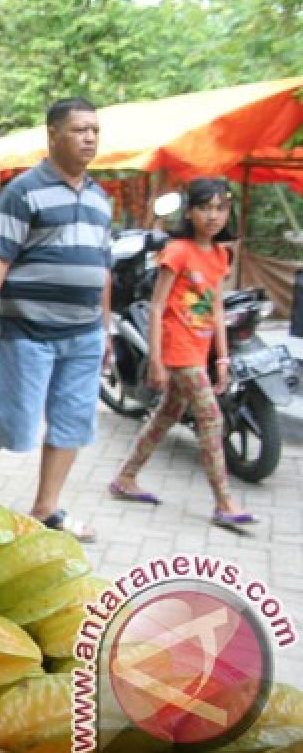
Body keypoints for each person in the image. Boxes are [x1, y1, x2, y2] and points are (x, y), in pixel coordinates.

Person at [0, 98, 111, 543]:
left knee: (72, 421)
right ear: (53, 135)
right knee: (14, 422)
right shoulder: (23, 190)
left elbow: (103, 268)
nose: (89, 138)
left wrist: (107, 327)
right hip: (28, 329)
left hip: (83, 335)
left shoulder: (101, 200)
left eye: (95, 131)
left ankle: (46, 509)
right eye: (80, 130)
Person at [109, 178, 255, 527]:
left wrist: (221, 358)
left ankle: (125, 478)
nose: (213, 215)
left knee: (166, 416)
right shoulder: (177, 251)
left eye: (220, 208)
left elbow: (216, 309)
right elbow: (156, 307)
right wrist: (156, 359)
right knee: (211, 418)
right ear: (189, 211)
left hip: (200, 348)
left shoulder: (220, 254)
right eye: (205, 207)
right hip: (178, 348)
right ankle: (224, 501)